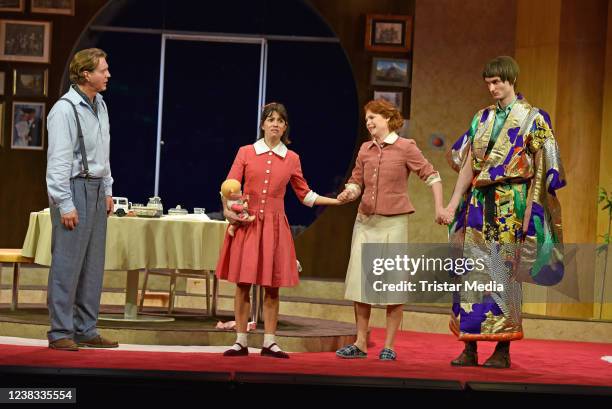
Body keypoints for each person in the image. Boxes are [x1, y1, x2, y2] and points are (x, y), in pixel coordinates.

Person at [444, 56, 566, 368]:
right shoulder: (481, 118)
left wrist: (532, 212)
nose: (492, 88)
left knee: (503, 274)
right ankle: (469, 346)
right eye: (488, 83)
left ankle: (502, 349)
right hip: (478, 205)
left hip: (511, 204)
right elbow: (468, 163)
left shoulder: (534, 118)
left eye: (498, 81)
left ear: (512, 80)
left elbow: (542, 169)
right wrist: (453, 202)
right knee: (470, 273)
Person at [216, 102, 343, 358]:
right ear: (263, 124)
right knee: (243, 284)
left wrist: (337, 201)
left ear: (285, 127)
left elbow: (305, 195)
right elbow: (229, 187)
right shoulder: (246, 152)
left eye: (280, 120)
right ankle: (240, 340)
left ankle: (270, 341)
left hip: (274, 227)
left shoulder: (292, 158)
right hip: (249, 224)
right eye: (270, 119)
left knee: (272, 286)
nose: (275, 123)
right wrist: (229, 211)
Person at [335, 99, 446, 361]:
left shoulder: (405, 147)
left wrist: (440, 208)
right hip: (365, 222)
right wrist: (350, 192)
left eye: (373, 117)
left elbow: (433, 176)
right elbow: (356, 180)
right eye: (367, 120)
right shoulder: (365, 149)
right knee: (361, 284)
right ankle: (361, 342)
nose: (369, 123)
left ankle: (389, 345)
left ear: (387, 118)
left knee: (392, 286)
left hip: (393, 222)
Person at [45, 48, 118, 351]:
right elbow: (58, 161)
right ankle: (61, 331)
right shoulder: (65, 109)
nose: (108, 74)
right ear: (86, 74)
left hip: (96, 187)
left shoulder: (99, 104)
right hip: (73, 187)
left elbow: (103, 150)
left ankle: (86, 328)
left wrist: (108, 189)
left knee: (92, 263)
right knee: (67, 262)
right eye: (103, 70)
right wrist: (65, 202)